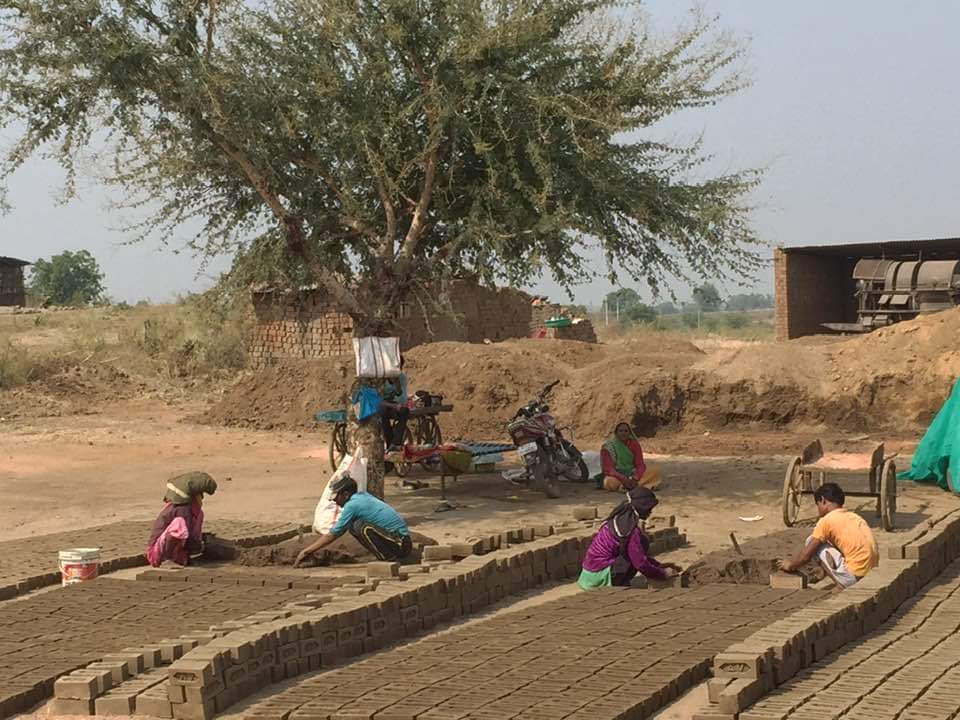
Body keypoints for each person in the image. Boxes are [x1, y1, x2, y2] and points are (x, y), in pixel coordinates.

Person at [578, 486, 681, 589]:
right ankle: (617, 585)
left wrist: (658, 566)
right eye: (649, 509)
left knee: (640, 543)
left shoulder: (619, 520)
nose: (650, 512)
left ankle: (620, 582)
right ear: (642, 507)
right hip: (598, 577)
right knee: (639, 547)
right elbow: (640, 563)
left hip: (589, 574)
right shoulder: (629, 530)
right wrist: (663, 574)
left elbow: (638, 555)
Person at [780, 482, 879, 588]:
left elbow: (806, 556)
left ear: (823, 500)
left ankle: (841, 582)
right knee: (832, 541)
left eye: (817, 505)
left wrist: (790, 565)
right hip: (872, 574)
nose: (818, 509)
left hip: (853, 577)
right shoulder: (855, 517)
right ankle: (824, 571)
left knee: (811, 541)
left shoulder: (826, 521)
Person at [295, 475, 412, 565]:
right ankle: (385, 556)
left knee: (361, 527)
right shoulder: (361, 496)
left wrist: (307, 551)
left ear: (345, 494)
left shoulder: (353, 505)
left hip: (401, 543)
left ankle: (389, 559)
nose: (335, 501)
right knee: (353, 526)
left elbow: (334, 534)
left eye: (336, 497)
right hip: (397, 541)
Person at [146, 471, 218, 567]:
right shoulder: (181, 511)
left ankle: (178, 558)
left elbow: (192, 535)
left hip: (178, 552)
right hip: (157, 553)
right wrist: (198, 546)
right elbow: (186, 536)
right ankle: (168, 560)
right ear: (193, 497)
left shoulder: (196, 513)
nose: (202, 499)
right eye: (200, 496)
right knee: (179, 525)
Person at [599, 422, 657, 492]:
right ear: (616, 432)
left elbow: (640, 464)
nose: (623, 433)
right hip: (617, 475)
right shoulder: (608, 447)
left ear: (629, 433)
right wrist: (623, 478)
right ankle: (637, 486)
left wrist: (635, 477)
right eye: (620, 431)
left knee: (655, 472)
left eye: (626, 431)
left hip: (633, 474)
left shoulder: (634, 444)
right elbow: (608, 469)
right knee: (608, 481)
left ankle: (629, 486)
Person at [381, 355, 410, 451]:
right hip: (385, 405)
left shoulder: (401, 378)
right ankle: (390, 443)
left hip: (396, 405)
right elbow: (378, 398)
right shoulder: (382, 379)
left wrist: (397, 385)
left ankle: (396, 441)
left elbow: (402, 397)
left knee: (405, 411)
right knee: (383, 413)